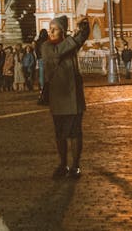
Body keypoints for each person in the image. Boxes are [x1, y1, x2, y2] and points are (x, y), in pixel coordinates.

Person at [41, 16, 90, 179]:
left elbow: (81, 38)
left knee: (75, 133)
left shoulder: (71, 44)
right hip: (58, 97)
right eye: (50, 29)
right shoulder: (46, 47)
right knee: (60, 134)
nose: (51, 32)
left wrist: (84, 27)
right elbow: (57, 53)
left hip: (74, 97)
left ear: (62, 31)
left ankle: (75, 165)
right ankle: (63, 164)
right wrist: (73, 39)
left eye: (54, 29)